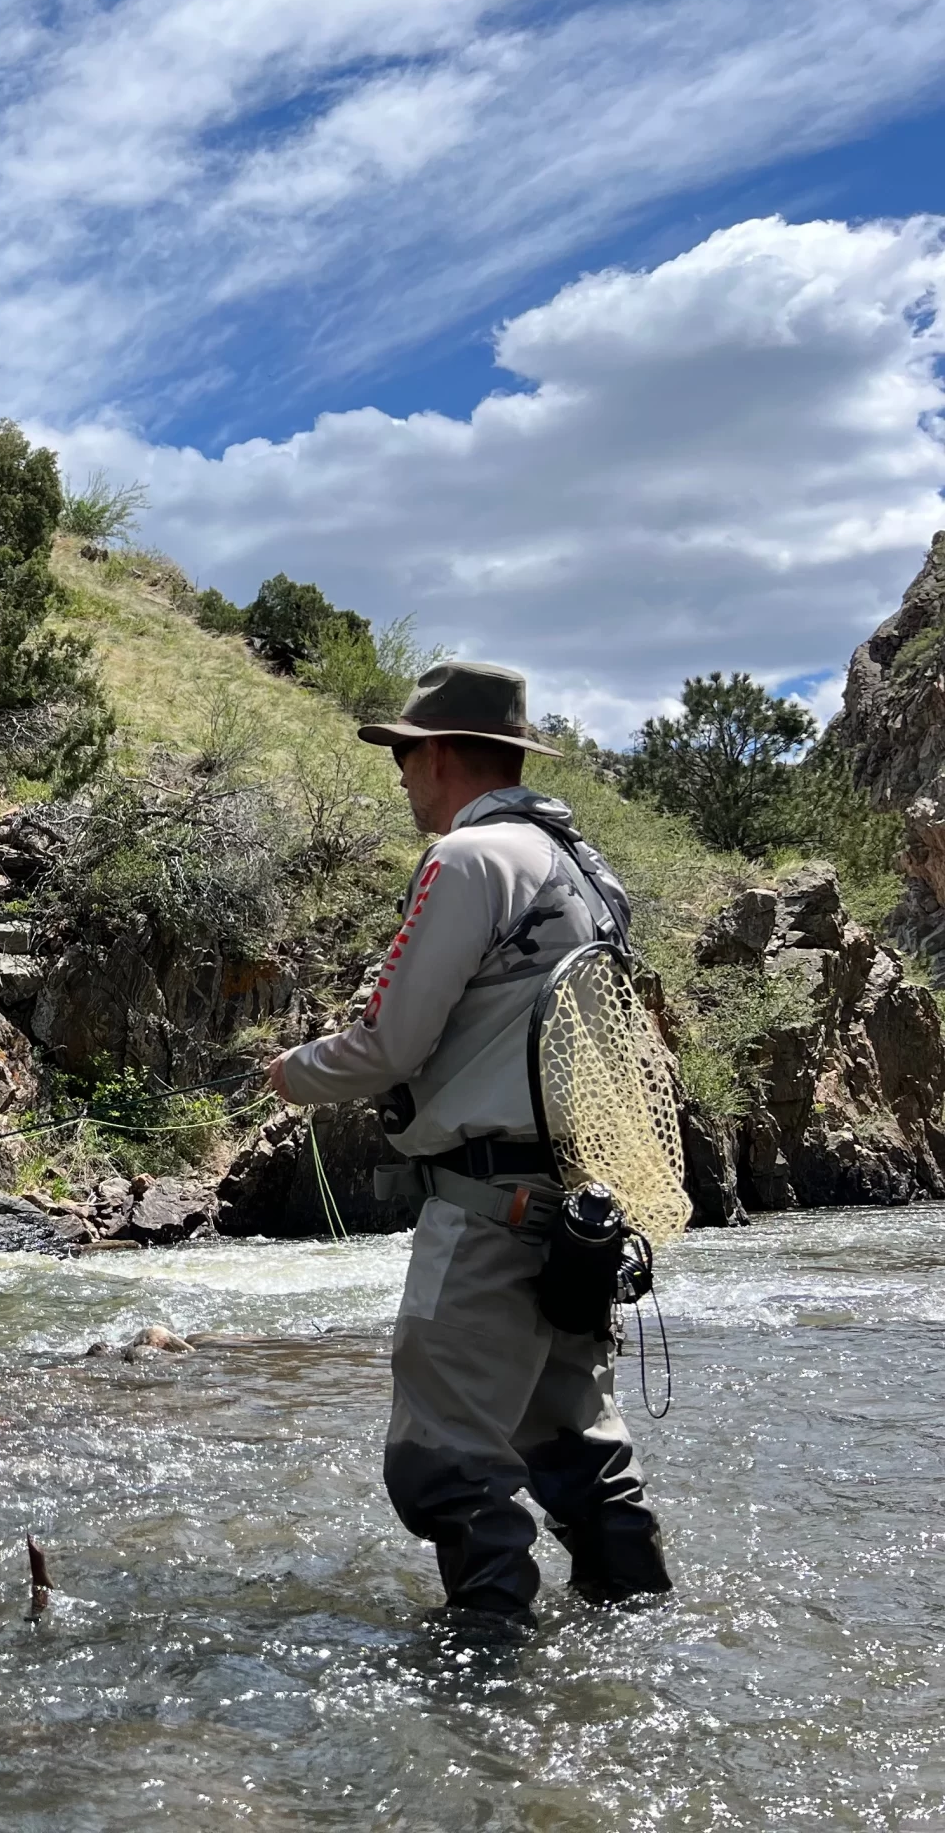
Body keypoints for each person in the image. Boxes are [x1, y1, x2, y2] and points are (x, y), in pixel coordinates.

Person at [267, 660, 672, 1626]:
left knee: (442, 1466)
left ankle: (484, 1692)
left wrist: (293, 1073)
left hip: (488, 1217)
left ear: (440, 752)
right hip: (576, 1218)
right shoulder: (584, 867)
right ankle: (644, 1641)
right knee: (574, 1446)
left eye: (405, 755)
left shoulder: (469, 857)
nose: (401, 776)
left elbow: (389, 1044)